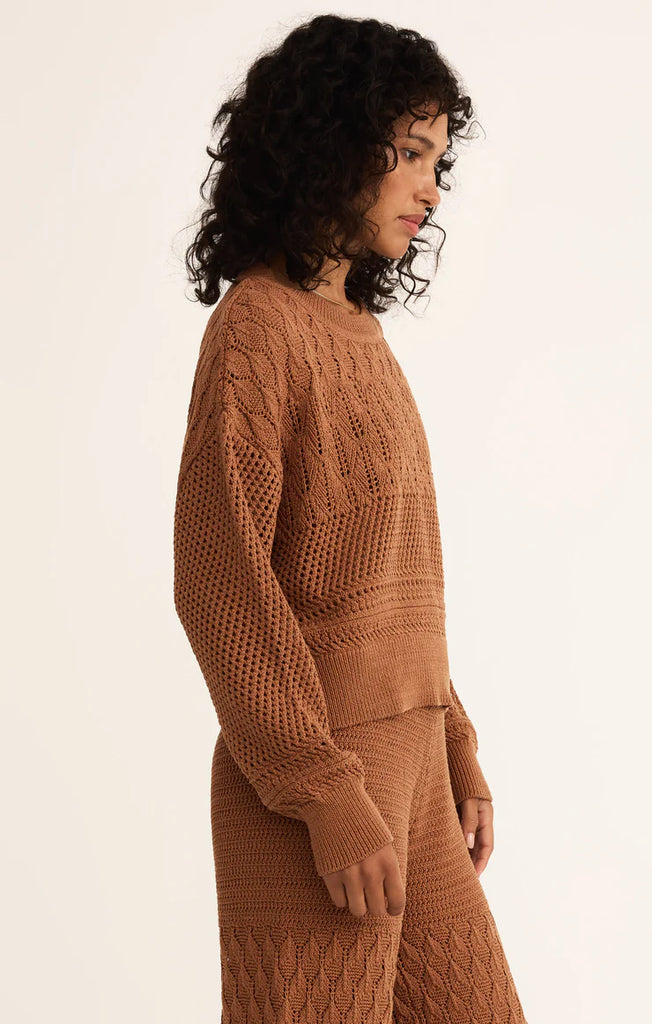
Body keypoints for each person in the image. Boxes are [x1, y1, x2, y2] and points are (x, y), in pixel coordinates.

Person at [173, 13, 529, 1022]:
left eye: (438, 161)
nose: (431, 186)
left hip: (410, 778)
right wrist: (323, 792)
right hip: (318, 791)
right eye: (409, 152)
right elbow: (218, 581)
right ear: (329, 146)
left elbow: (387, 578)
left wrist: (453, 740)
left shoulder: (358, 331)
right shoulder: (256, 329)